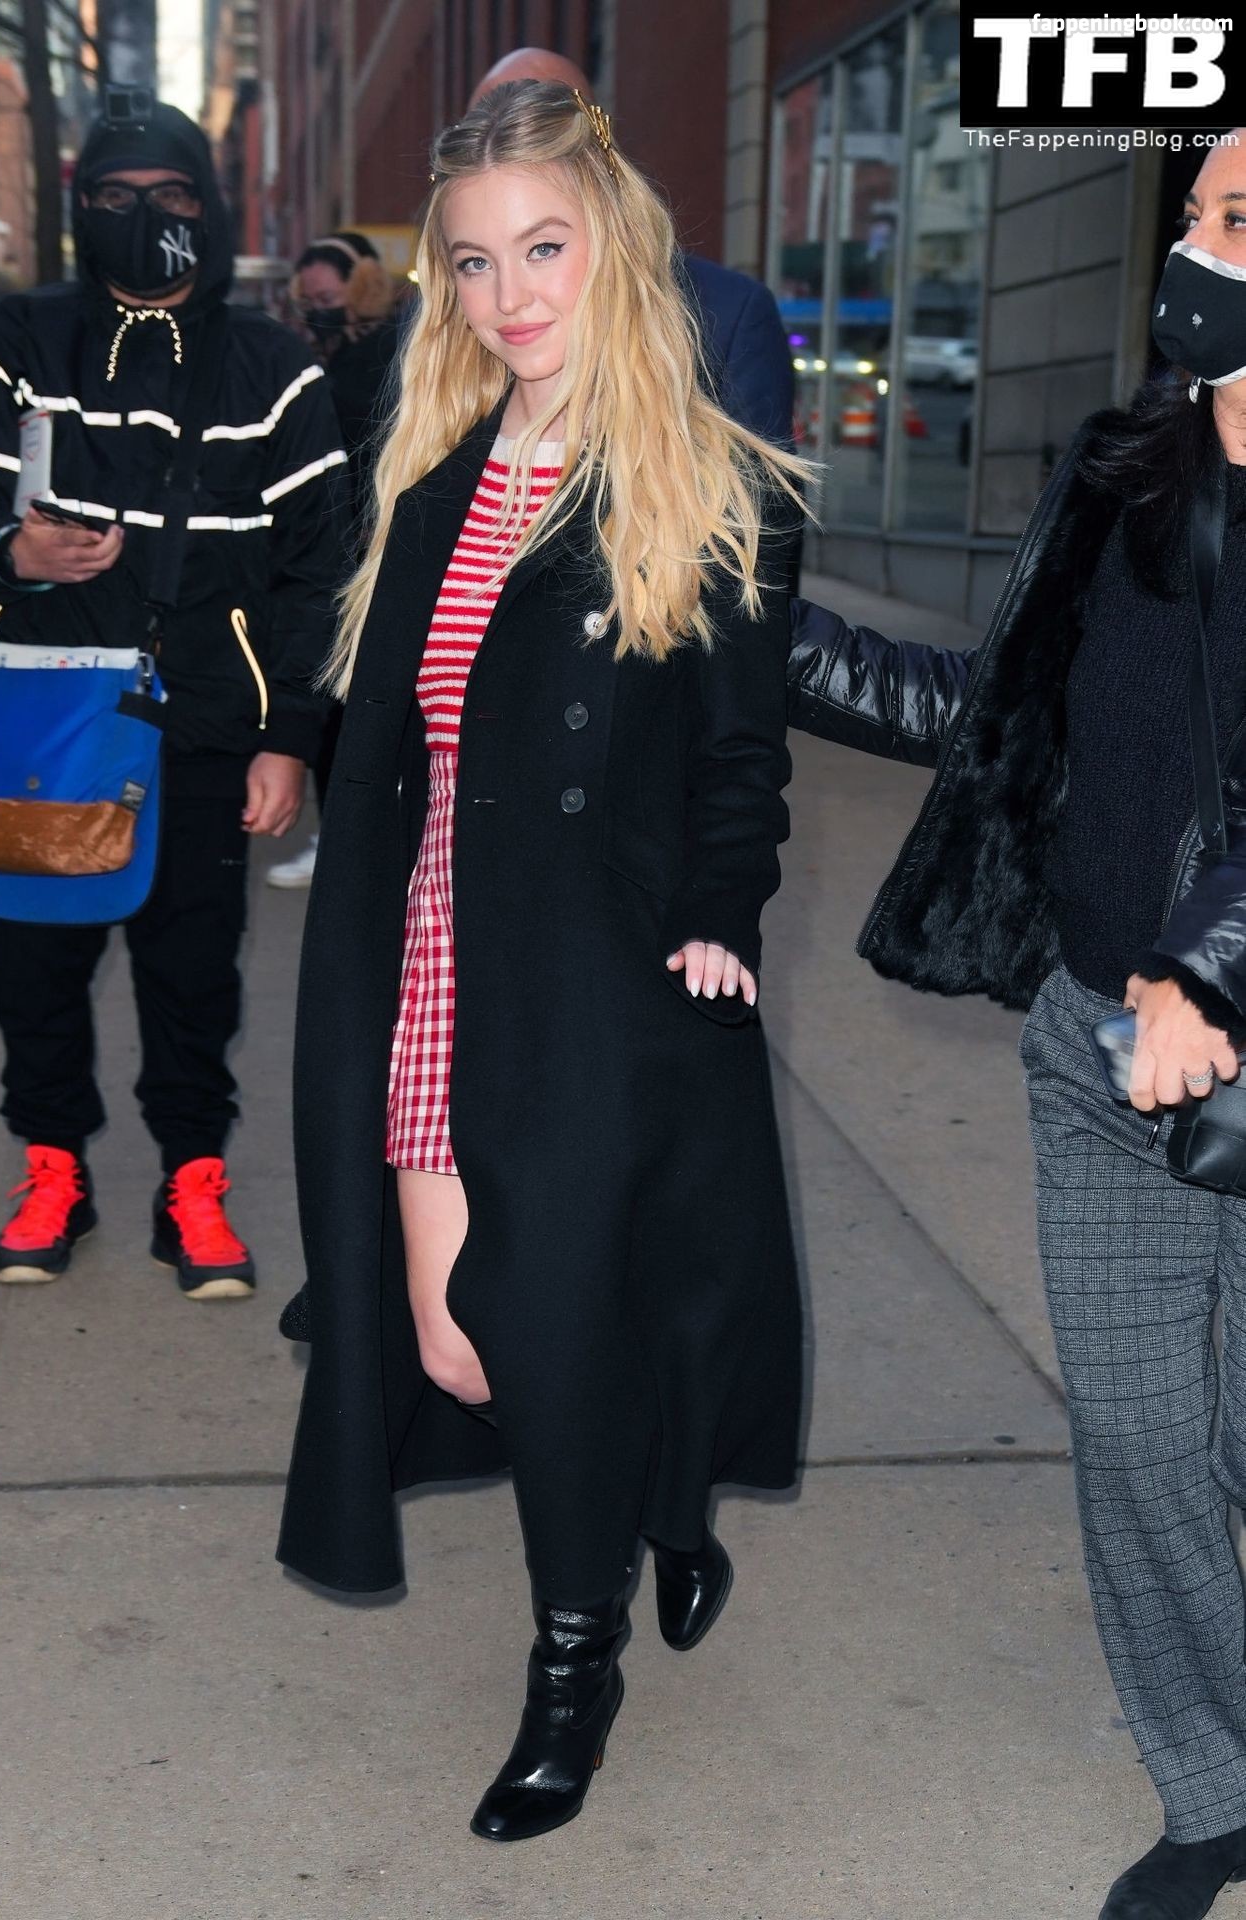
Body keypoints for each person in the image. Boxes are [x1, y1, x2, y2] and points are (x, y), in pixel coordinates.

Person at [277, 79, 808, 1843]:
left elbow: (740, 754)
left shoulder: (705, 486)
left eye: (545, 249)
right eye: (474, 262)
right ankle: (661, 1503)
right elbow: (392, 755)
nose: (510, 295)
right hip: (435, 965)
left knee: (555, 1325)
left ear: (616, 252)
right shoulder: (427, 491)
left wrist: (721, 911)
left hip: (602, 985)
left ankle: (574, 1662)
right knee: (455, 1348)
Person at [782, 134, 1246, 1920]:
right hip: (1095, 1044)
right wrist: (765, 640)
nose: (1195, 255)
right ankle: (1213, 1788)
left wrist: (1213, 971)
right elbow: (997, 718)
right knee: (1139, 1449)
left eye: (1236, 223)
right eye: (1198, 216)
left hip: (1218, 1028)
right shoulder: (1121, 471)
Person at [0, 99, 346, 1300]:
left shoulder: (272, 363)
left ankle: (191, 1181)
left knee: (193, 975)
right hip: (37, 717)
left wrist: (289, 738)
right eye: (114, 196)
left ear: (209, 206)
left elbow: (320, 567)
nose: (144, 215)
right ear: (79, 207)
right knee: (33, 967)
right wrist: (11, 550)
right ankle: (51, 1169)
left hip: (203, 725)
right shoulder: (15, 337)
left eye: (172, 194)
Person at [470, 48, 796, 450]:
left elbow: (761, 484)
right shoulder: (430, 331)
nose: (512, 139)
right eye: (475, 263)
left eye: (546, 121)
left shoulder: (728, 314)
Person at [265, 231, 401, 891]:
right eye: (311, 298)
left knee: (350, 706)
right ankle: (345, 843)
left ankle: (351, 847)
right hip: (336, 551)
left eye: (331, 295)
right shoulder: (330, 352)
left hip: (372, 554)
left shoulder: (387, 351)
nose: (321, 307)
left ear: (362, 285)